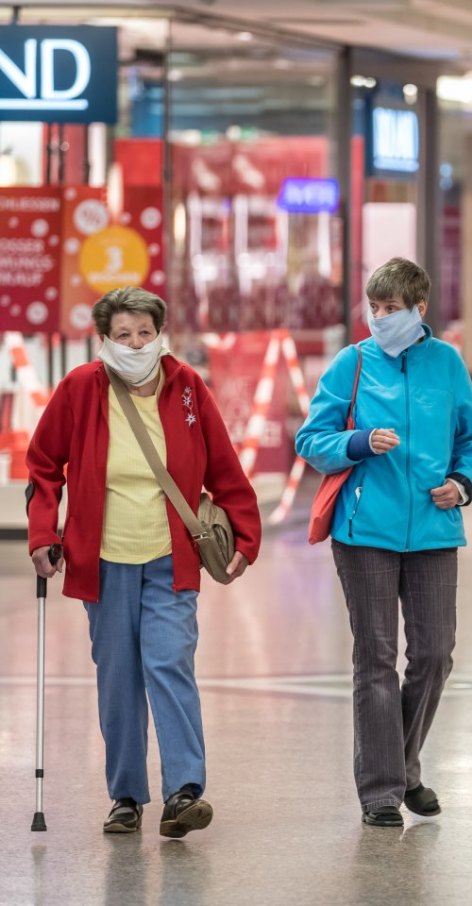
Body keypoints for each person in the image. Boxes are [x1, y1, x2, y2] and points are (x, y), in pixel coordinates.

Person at [25, 287, 261, 838]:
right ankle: (127, 796)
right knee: (119, 677)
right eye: (123, 335)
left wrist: (245, 535)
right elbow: (42, 464)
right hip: (101, 561)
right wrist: (43, 532)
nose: (135, 344)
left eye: (144, 333)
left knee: (168, 661)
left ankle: (184, 791)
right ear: (105, 339)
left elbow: (223, 466)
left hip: (169, 556)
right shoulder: (81, 388)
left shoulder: (186, 388)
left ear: (161, 334)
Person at [296, 257, 472, 828]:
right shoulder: (351, 363)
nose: (380, 319)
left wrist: (462, 484)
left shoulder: (447, 364)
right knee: (376, 658)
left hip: (434, 531)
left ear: (420, 310)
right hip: (365, 533)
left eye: (392, 310)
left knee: (435, 654)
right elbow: (312, 438)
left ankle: (404, 765)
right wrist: (358, 442)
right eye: (375, 308)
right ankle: (382, 791)